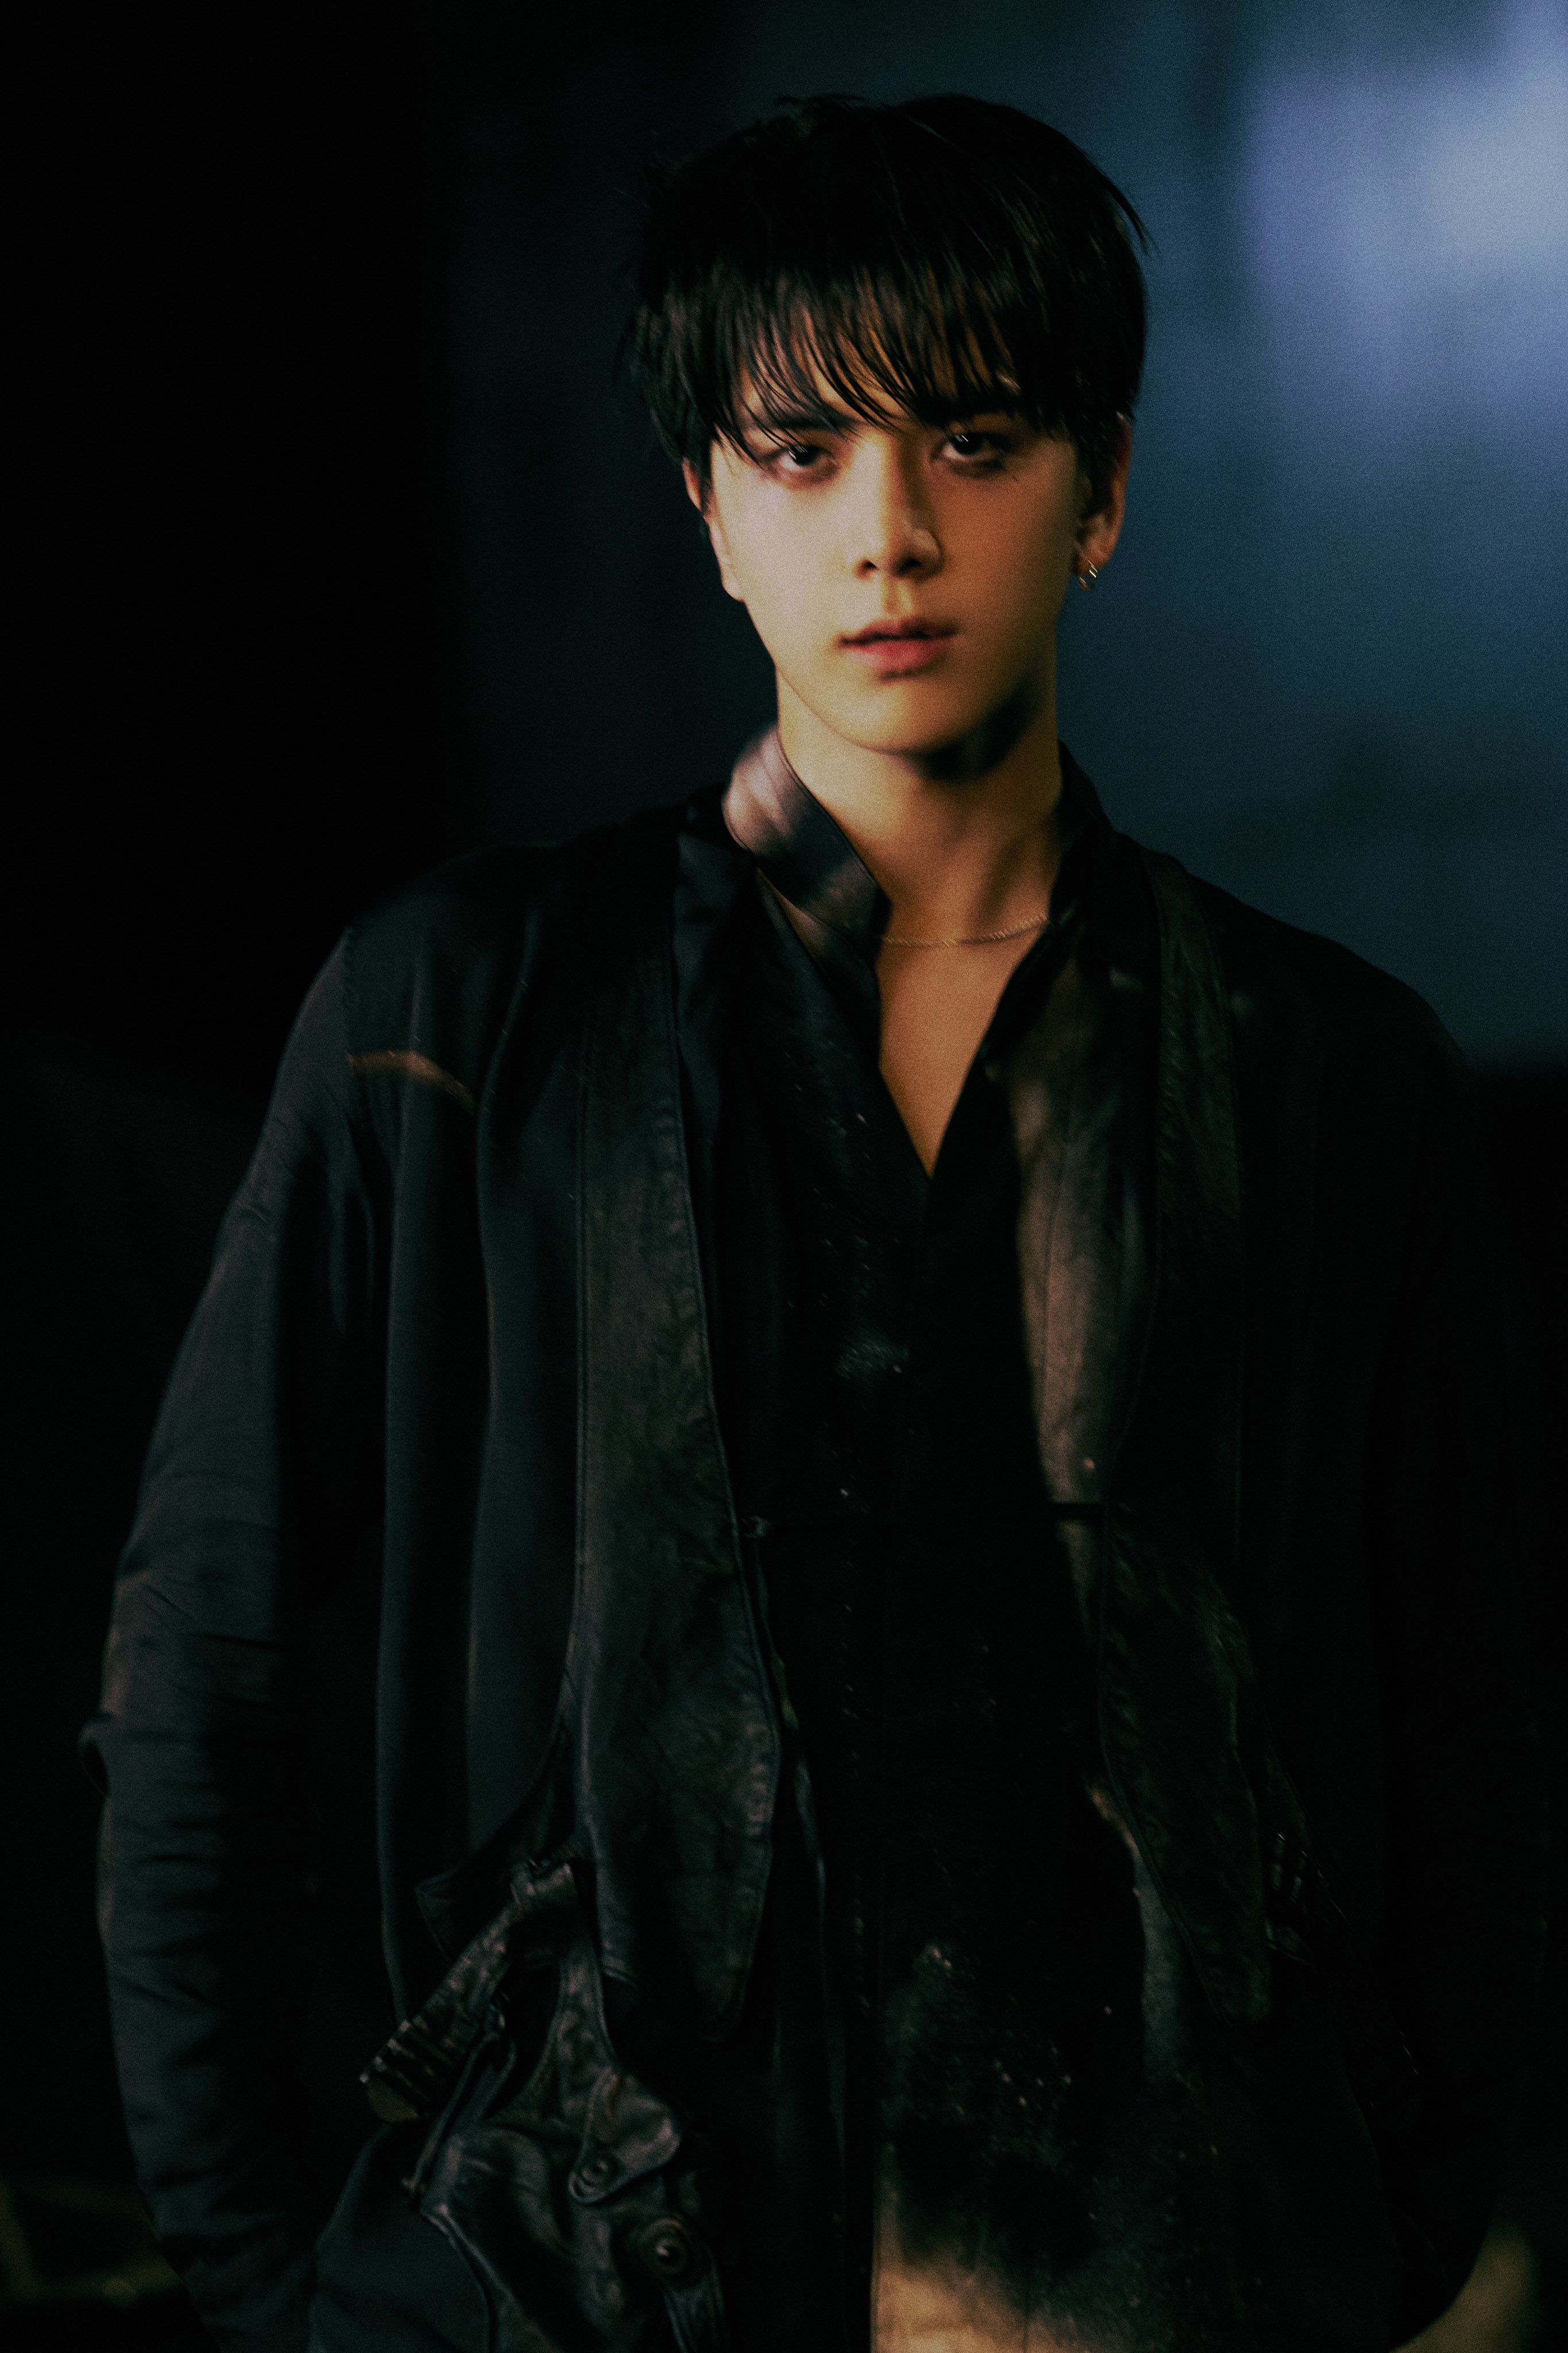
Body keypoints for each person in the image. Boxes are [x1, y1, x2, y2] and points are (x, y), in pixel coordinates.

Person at [85, 94, 1547, 2353]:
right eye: (799, 451)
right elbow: (200, 1661)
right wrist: (268, 2271)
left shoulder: (1319, 1066)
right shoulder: (463, 1012)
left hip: (1185, 2278)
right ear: (706, 510)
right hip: (585, 2290)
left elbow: (1479, 1709)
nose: (887, 533)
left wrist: (1424, 2223)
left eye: (972, 439)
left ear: (1101, 490)